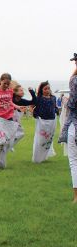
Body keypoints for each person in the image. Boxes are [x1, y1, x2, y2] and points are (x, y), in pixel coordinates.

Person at [31, 81, 59, 163]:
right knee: (40, 140)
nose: (47, 90)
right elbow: (32, 106)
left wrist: (56, 111)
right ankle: (37, 158)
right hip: (42, 122)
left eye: (48, 88)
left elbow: (54, 106)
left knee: (48, 139)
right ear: (41, 90)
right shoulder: (39, 98)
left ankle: (44, 156)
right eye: (45, 89)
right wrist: (34, 113)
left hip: (52, 121)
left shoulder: (53, 97)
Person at [63, 60, 77, 202]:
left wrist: (66, 102)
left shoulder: (74, 80)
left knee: (74, 161)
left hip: (75, 124)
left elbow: (72, 104)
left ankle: (76, 197)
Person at [10, 83, 36, 150]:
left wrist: (31, 91)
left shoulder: (22, 101)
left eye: (22, 90)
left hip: (16, 121)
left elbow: (34, 101)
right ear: (15, 92)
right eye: (20, 90)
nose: (22, 92)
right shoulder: (10, 98)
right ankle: (9, 144)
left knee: (21, 134)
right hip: (8, 120)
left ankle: (10, 145)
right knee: (14, 133)